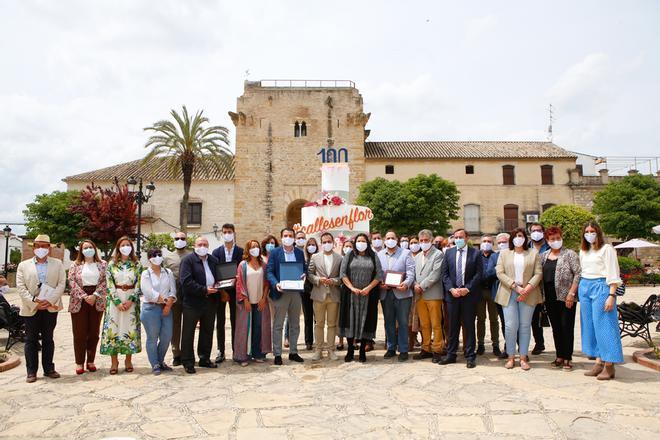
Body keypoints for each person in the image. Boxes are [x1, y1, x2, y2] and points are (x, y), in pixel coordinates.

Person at [16, 234, 66, 383]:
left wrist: (49, 301)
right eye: (38, 246)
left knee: (48, 339)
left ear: (49, 249)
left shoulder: (58, 264)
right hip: (31, 308)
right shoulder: (23, 265)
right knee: (31, 340)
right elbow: (20, 287)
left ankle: (49, 368)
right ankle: (31, 371)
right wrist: (34, 302)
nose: (41, 249)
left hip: (51, 307)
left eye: (44, 246)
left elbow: (61, 284)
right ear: (34, 248)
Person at [579, 221, 624, 380]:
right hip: (585, 286)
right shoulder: (584, 250)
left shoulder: (607, 249)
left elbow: (613, 273)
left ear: (598, 232)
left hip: (601, 287)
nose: (589, 234)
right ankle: (598, 361)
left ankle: (609, 365)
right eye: (586, 231)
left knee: (604, 326)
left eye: (592, 231)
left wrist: (611, 295)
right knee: (590, 326)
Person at [495, 228, 542, 370]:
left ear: (525, 238)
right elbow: (499, 272)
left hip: (528, 292)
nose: (518, 238)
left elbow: (538, 273)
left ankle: (523, 357)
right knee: (510, 326)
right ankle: (510, 357)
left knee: (525, 326)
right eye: (515, 236)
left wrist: (527, 288)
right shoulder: (504, 254)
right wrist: (515, 286)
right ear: (511, 239)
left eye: (520, 236)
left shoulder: (533, 253)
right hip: (509, 292)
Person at [439, 228, 482, 368]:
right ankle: (451, 354)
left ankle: (470, 355)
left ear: (467, 238)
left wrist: (467, 288)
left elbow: (478, 274)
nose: (458, 239)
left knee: (469, 326)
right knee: (452, 326)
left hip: (468, 296)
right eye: (456, 237)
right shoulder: (449, 253)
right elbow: (444, 274)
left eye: (460, 237)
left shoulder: (476, 253)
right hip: (452, 296)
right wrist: (451, 289)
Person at [540, 227, 581, 371]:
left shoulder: (570, 254)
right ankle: (559, 355)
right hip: (550, 297)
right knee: (556, 328)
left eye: (558, 238)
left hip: (566, 297)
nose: (555, 241)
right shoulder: (544, 256)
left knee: (566, 327)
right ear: (547, 241)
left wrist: (571, 293)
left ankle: (568, 357)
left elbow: (577, 274)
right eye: (552, 239)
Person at [100, 236, 142, 374]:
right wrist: (117, 302)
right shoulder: (111, 264)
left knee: (129, 329)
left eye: (128, 245)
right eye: (122, 245)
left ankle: (128, 360)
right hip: (114, 301)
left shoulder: (137, 265)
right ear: (118, 247)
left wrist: (131, 299)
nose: (125, 247)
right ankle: (114, 361)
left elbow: (139, 284)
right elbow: (109, 283)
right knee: (114, 328)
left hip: (131, 300)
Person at [338, 233, 383, 362]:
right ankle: (350, 350)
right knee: (350, 321)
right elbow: (343, 273)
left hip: (368, 295)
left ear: (367, 243)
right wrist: (352, 288)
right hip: (351, 294)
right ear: (354, 243)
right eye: (359, 241)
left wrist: (368, 288)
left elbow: (379, 275)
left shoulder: (373, 256)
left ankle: (363, 350)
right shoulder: (349, 255)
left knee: (365, 322)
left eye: (363, 241)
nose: (361, 243)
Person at [179, 237, 220, 374]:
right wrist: (204, 290)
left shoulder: (213, 260)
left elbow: (219, 277)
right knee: (188, 332)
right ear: (194, 246)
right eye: (200, 244)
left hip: (210, 301)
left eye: (205, 244)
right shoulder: (187, 260)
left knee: (207, 331)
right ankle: (188, 361)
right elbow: (186, 282)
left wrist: (221, 284)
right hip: (192, 302)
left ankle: (204, 358)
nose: (202, 246)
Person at [266, 228, 306, 365]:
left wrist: (304, 275)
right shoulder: (275, 253)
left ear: (294, 238)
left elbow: (303, 268)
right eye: (285, 235)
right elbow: (269, 272)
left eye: (290, 236)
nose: (288, 237)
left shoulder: (299, 253)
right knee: (278, 324)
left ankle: (293, 352)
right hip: (281, 292)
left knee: (295, 324)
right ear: (281, 237)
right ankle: (277, 354)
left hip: (295, 293)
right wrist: (275, 283)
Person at [67, 239, 107, 375]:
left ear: (95, 249)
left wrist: (95, 295)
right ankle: (79, 362)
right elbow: (71, 282)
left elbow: (105, 281)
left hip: (97, 299)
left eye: (90, 247)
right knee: (79, 333)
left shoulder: (102, 264)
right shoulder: (75, 265)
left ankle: (90, 361)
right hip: (79, 300)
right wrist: (84, 296)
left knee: (94, 332)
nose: (88, 250)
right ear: (80, 250)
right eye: (85, 248)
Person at [378, 230, 415, 361]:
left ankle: (403, 349)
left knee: (403, 322)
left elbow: (411, 272)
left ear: (397, 239)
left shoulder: (406, 253)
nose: (390, 240)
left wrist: (406, 283)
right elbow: (377, 274)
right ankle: (391, 348)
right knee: (388, 322)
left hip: (402, 293)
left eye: (392, 237)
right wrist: (380, 284)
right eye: (388, 238)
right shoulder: (379, 254)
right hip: (386, 293)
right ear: (384, 240)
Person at [234, 240, 272, 366]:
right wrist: (245, 300)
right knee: (245, 328)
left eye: (256, 246)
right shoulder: (242, 265)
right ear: (248, 249)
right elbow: (239, 284)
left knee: (259, 328)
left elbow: (267, 283)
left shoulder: (263, 264)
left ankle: (258, 353)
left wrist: (263, 299)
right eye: (252, 247)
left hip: (260, 301)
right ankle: (243, 356)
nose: (255, 248)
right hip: (247, 302)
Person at [140, 248, 177, 375]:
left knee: (167, 337)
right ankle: (155, 363)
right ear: (149, 258)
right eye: (154, 255)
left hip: (166, 308)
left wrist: (169, 303)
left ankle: (161, 361)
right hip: (150, 309)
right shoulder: (146, 273)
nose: (157, 257)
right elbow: (148, 291)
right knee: (152, 337)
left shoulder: (168, 272)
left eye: (159, 254)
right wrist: (164, 299)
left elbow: (173, 289)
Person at [211, 223, 243, 364]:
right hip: (221, 292)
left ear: (234, 233)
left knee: (236, 321)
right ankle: (221, 351)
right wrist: (222, 291)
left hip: (236, 291)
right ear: (222, 233)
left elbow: (242, 272)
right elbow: (215, 273)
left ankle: (237, 351)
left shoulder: (241, 251)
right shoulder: (216, 252)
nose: (227, 234)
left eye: (230, 231)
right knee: (221, 321)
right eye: (225, 231)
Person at [307, 232, 342, 361]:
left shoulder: (339, 258)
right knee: (319, 324)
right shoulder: (315, 257)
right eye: (324, 242)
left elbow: (342, 277)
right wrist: (318, 279)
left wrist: (334, 281)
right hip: (318, 294)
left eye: (329, 241)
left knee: (332, 324)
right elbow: (309, 274)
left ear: (333, 243)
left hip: (333, 295)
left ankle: (331, 350)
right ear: (321, 244)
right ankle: (318, 350)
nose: (327, 244)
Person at [413, 229, 445, 363]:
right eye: (421, 241)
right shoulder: (417, 256)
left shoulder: (438, 255)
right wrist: (414, 284)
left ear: (431, 241)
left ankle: (437, 349)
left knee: (436, 324)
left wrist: (421, 286)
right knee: (424, 324)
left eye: (426, 240)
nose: (423, 243)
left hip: (433, 294)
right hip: (420, 296)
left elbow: (435, 274)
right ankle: (426, 348)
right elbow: (413, 274)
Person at [163, 231, 191, 366]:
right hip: (174, 294)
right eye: (177, 238)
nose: (180, 240)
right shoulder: (168, 257)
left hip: (189, 294)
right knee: (175, 324)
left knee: (189, 324)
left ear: (187, 240)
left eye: (182, 238)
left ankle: (187, 352)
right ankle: (176, 353)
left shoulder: (192, 255)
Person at [485, 233, 509, 359]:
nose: (502, 244)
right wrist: (502, 270)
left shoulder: (515, 254)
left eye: (504, 241)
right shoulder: (494, 256)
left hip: (515, 292)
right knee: (505, 322)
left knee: (520, 324)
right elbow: (488, 272)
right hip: (499, 293)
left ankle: (522, 350)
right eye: (499, 242)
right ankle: (508, 348)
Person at [476, 235, 501, 357]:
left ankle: (495, 345)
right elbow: (475, 273)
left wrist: (486, 274)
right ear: (481, 243)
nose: (486, 243)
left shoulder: (497, 256)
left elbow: (498, 272)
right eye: (484, 241)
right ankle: (480, 344)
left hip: (493, 291)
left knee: (494, 320)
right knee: (480, 319)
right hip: (479, 292)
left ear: (493, 244)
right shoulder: (476, 256)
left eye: (489, 241)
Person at [528, 223, 550, 355]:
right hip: (532, 287)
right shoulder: (526, 248)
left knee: (553, 317)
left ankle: (561, 347)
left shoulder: (550, 246)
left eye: (539, 230)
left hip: (548, 286)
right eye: (534, 230)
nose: (536, 232)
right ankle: (539, 343)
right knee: (534, 318)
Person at [336, 240, 354, 351]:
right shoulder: (340, 260)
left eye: (350, 246)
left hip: (354, 290)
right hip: (341, 290)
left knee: (352, 316)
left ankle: (354, 340)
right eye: (346, 246)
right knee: (341, 316)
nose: (348, 248)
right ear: (343, 248)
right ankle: (341, 341)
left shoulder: (356, 259)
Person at [301, 235, 317, 351]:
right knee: (308, 317)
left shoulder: (320, 258)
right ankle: (309, 341)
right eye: (309, 244)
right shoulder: (303, 259)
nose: (311, 247)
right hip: (305, 291)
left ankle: (319, 340)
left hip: (317, 290)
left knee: (318, 318)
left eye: (313, 244)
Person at [407, 235, 422, 350]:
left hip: (422, 291)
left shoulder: (423, 256)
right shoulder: (407, 256)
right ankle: (411, 342)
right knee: (410, 319)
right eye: (411, 243)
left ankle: (426, 342)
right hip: (408, 292)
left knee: (421, 318)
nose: (413, 244)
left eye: (415, 242)